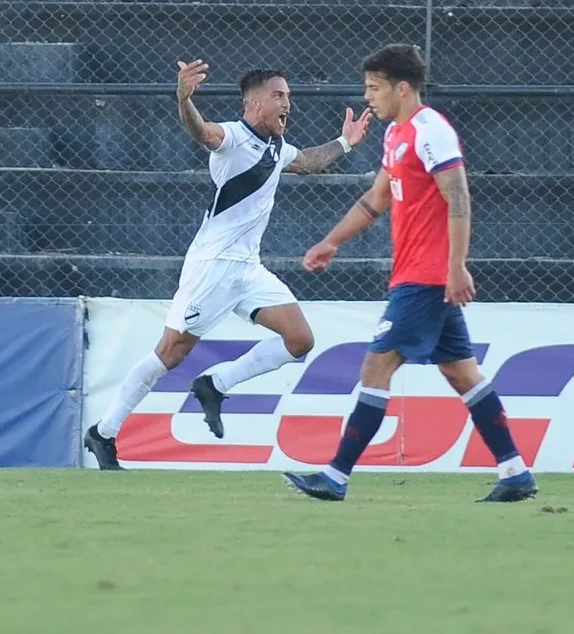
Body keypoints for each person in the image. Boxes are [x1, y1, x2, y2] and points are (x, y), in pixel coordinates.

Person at [83, 60, 372, 470]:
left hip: (248, 269)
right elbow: (201, 132)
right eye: (279, 95)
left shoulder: (277, 146)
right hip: (213, 266)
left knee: (299, 340)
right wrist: (184, 99)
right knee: (170, 352)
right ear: (253, 103)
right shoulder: (233, 137)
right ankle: (104, 432)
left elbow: (307, 161)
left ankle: (216, 384)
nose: (288, 103)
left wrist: (344, 143)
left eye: (288, 96)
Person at [283, 43, 538, 503]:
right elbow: (377, 198)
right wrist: (332, 241)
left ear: (403, 88)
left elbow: (458, 197)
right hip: (419, 274)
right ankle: (515, 472)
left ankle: (336, 475)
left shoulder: (430, 132)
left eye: (374, 88)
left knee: (376, 365)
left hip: (426, 277)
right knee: (463, 374)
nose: (368, 97)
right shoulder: (395, 134)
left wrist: (456, 265)